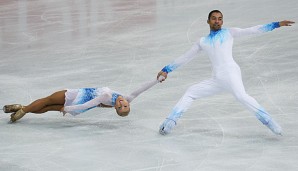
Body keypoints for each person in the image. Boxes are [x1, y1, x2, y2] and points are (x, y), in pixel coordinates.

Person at [157, 10, 295, 135]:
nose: (217, 21)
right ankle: (169, 122)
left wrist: (276, 24)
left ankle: (270, 122)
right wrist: (166, 69)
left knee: (241, 97)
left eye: (220, 19)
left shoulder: (230, 32)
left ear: (222, 21)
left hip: (231, 73)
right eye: (214, 18)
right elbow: (186, 57)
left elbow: (253, 30)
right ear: (208, 21)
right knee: (191, 92)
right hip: (217, 79)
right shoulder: (202, 41)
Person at [4, 76, 165, 122]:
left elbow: (90, 103)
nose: (123, 103)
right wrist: (157, 81)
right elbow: (142, 89)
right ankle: (21, 108)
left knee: (47, 101)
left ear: (116, 108)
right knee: (47, 108)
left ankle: (22, 110)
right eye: (126, 105)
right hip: (79, 105)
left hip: (76, 97)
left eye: (121, 107)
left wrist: (68, 108)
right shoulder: (127, 98)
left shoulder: (107, 96)